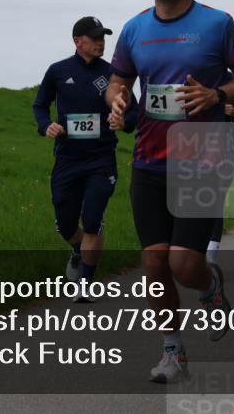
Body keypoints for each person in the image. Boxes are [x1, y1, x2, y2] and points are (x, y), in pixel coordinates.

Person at [106, 0, 234, 384]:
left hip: (203, 157)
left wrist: (217, 93)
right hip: (149, 159)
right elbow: (119, 81)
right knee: (154, 265)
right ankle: (173, 353)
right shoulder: (134, 29)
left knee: (182, 264)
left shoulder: (217, 24)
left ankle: (209, 284)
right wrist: (118, 101)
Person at [33, 16, 137, 303]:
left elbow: (133, 113)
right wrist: (46, 126)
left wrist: (123, 122)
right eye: (94, 38)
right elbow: (40, 105)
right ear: (78, 41)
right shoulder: (58, 71)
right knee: (65, 224)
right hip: (67, 159)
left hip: (101, 160)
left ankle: (86, 284)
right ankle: (78, 249)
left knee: (92, 220)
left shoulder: (114, 76)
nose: (101, 42)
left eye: (103, 37)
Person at [207, 81, 234, 265]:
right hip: (195, 142)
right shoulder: (192, 71)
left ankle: (210, 256)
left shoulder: (232, 78)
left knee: (216, 198)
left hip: (227, 146)